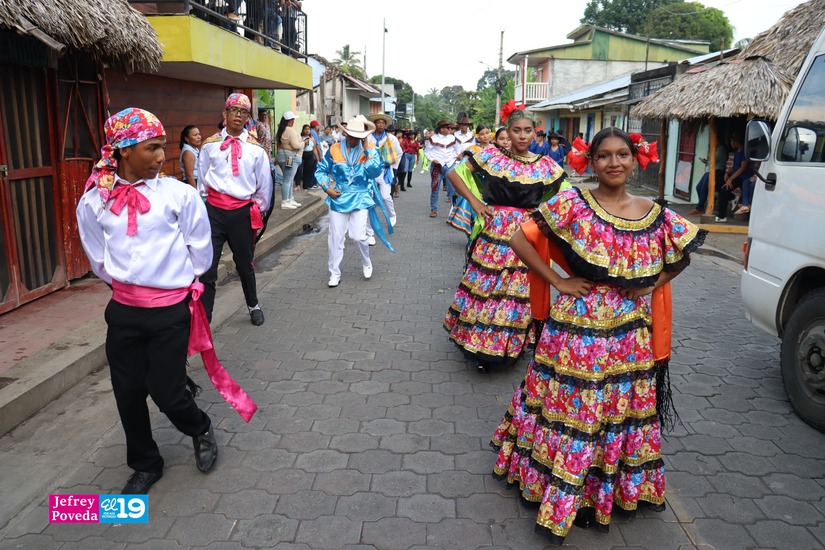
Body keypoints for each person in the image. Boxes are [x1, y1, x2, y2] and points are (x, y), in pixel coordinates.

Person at [493, 127, 706, 545]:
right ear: (590, 162)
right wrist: (558, 280)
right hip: (577, 328)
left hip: (629, 333)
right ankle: (563, 492)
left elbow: (683, 253)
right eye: (604, 156)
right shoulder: (574, 202)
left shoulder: (653, 211)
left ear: (635, 159)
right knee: (577, 408)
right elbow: (520, 238)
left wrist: (652, 283)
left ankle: (612, 489)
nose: (614, 163)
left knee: (619, 406)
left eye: (622, 154)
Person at [76, 108, 220, 494]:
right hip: (123, 312)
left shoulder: (179, 195)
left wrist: (171, 287)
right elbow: (98, 259)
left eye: (162, 147)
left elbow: (200, 250)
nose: (161, 156)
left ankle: (200, 427)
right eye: (152, 148)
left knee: (167, 391)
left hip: (170, 311)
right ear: (123, 150)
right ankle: (145, 462)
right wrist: (130, 288)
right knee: (127, 392)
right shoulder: (94, 202)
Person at [443, 110, 567, 372]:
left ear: (535, 133)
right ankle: (481, 346)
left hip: (526, 236)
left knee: (518, 292)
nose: (522, 136)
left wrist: (544, 214)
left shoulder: (545, 165)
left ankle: (510, 345)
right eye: (516, 130)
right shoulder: (491, 156)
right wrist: (476, 202)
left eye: (527, 131)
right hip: (494, 233)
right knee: (487, 288)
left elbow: (565, 196)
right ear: (508, 132)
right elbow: (454, 174)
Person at [198, 93, 273, 326]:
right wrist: (203, 210)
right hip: (214, 212)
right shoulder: (209, 146)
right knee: (207, 268)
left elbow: (264, 185)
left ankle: (253, 305)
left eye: (243, 112)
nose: (238, 115)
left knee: (245, 264)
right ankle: (204, 318)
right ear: (225, 114)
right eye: (234, 110)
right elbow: (202, 181)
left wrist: (258, 210)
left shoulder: (255, 149)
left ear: (247, 117)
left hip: (241, 212)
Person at [315, 115, 394, 287]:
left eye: (357, 137)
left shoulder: (371, 149)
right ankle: (334, 272)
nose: (353, 139)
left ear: (363, 137)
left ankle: (366, 261)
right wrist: (326, 187)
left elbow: (374, 172)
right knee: (335, 237)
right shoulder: (334, 149)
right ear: (344, 134)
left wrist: (367, 150)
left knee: (358, 236)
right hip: (339, 197)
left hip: (360, 196)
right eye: (350, 136)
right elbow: (321, 170)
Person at [366, 113, 402, 226]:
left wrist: (393, 167)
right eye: (378, 122)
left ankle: (392, 214)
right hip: (370, 172)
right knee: (369, 197)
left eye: (383, 123)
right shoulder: (368, 136)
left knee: (386, 196)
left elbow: (399, 153)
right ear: (375, 124)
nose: (380, 125)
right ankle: (368, 223)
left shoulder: (391, 138)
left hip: (384, 171)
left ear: (385, 125)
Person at [424, 120, 461, 218]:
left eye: (450, 128)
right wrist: (432, 159)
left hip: (450, 164)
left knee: (453, 188)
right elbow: (427, 151)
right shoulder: (433, 138)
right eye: (447, 128)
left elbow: (458, 150)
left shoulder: (453, 138)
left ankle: (454, 210)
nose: (449, 129)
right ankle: (434, 209)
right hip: (437, 165)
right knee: (435, 187)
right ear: (441, 129)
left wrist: (456, 160)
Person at [716, 134, 752, 222]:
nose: (731, 143)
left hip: (743, 177)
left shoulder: (744, 151)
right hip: (735, 175)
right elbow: (734, 166)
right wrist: (727, 173)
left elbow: (742, 167)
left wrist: (730, 179)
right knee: (719, 183)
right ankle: (732, 197)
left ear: (736, 141)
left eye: (732, 141)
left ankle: (722, 216)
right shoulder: (737, 151)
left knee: (724, 189)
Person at [687, 141, 728, 215]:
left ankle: (699, 207)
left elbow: (714, 160)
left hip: (716, 170)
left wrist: (708, 159)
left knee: (703, 188)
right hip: (709, 170)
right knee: (699, 187)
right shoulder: (715, 148)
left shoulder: (721, 149)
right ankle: (701, 206)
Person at [275, 110, 304, 209]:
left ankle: (290, 199)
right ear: (290, 121)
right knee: (287, 180)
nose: (294, 121)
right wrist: (304, 143)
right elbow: (295, 145)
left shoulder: (280, 130)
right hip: (290, 156)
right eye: (293, 120)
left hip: (282, 156)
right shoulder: (290, 130)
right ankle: (285, 201)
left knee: (289, 179)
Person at [296, 123, 317, 191]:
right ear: (303, 130)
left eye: (308, 129)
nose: (307, 131)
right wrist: (304, 143)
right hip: (302, 155)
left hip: (310, 155)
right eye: (305, 129)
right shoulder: (300, 137)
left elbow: (314, 149)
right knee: (299, 170)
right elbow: (298, 146)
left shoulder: (312, 138)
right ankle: (298, 184)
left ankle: (305, 186)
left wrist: (317, 158)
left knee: (308, 171)